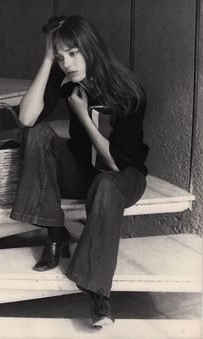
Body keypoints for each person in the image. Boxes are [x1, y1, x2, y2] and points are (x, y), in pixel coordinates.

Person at [10, 15, 149, 327]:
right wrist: (47, 58)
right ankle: (55, 231)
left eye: (73, 53)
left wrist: (83, 116)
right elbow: (28, 119)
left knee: (106, 185)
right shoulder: (68, 82)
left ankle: (98, 293)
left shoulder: (129, 91)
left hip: (123, 177)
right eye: (61, 57)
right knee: (37, 135)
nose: (68, 63)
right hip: (82, 172)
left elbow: (115, 165)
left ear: (91, 47)